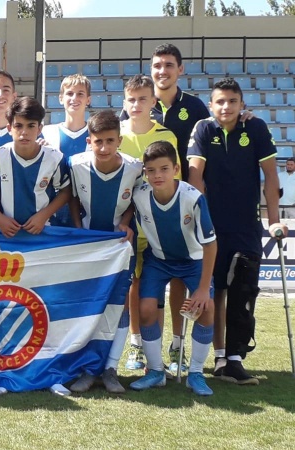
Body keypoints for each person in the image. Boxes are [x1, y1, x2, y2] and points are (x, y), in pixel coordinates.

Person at [188, 78, 287, 385]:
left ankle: (234, 358)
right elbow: (194, 176)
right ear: (211, 105)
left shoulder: (255, 128)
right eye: (220, 101)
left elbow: (270, 177)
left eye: (232, 101)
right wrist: (197, 221)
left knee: (243, 289)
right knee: (215, 290)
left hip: (246, 225)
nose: (226, 107)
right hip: (213, 226)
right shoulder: (204, 129)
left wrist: (273, 220)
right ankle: (218, 357)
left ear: (242, 104)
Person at [129, 141, 217, 396]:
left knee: (206, 308)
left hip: (193, 261)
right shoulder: (140, 195)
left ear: (176, 168)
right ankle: (156, 371)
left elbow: (211, 246)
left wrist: (202, 289)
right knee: (145, 308)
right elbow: (124, 210)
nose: (157, 175)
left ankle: (196, 374)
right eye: (151, 170)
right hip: (158, 260)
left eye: (164, 169)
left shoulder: (193, 198)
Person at [66, 111, 143, 394]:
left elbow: (136, 201)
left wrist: (125, 222)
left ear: (119, 140)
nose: (104, 147)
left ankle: (110, 368)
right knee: (90, 305)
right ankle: (87, 369)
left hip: (120, 247)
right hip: (89, 248)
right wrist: (78, 230)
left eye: (110, 141)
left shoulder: (135, 168)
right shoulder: (76, 164)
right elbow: (71, 198)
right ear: (89, 141)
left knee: (119, 305)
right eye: (98, 141)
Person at [119, 74, 181, 374]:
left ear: (153, 102)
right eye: (131, 99)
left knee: (157, 286)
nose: (136, 104)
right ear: (124, 102)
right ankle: (136, 345)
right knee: (135, 283)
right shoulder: (117, 136)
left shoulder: (167, 136)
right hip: (128, 224)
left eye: (143, 98)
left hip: (159, 225)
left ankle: (162, 347)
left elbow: (173, 182)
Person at [0, 97, 71, 238]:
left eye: (31, 126)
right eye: (18, 126)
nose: (24, 132)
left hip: (43, 230)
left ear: (39, 128)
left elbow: (66, 191)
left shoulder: (54, 158)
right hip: (7, 233)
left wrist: (44, 215)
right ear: (9, 128)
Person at [41, 73, 92, 227]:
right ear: (61, 98)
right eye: (69, 93)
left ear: (88, 100)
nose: (74, 98)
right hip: (53, 207)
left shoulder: (96, 135)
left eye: (80, 94)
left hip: (86, 207)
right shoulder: (47, 133)